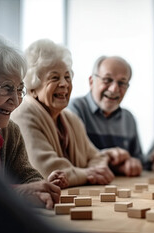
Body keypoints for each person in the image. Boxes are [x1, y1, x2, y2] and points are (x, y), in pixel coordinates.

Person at [11, 39, 117, 187]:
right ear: (32, 88)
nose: (64, 84)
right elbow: (47, 171)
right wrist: (87, 174)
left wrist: (85, 172)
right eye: (54, 77)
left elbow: (97, 157)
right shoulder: (22, 115)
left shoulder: (71, 119)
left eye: (67, 77)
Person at [0, 36, 61, 209]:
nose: (16, 101)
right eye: (7, 88)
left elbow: (28, 177)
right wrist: (19, 192)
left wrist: (41, 188)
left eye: (19, 89)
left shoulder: (10, 131)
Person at [68, 56, 143, 175]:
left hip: (122, 189)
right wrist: (110, 158)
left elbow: (139, 159)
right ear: (91, 81)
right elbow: (73, 160)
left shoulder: (129, 118)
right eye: (107, 80)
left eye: (122, 83)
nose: (114, 89)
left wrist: (135, 163)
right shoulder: (75, 109)